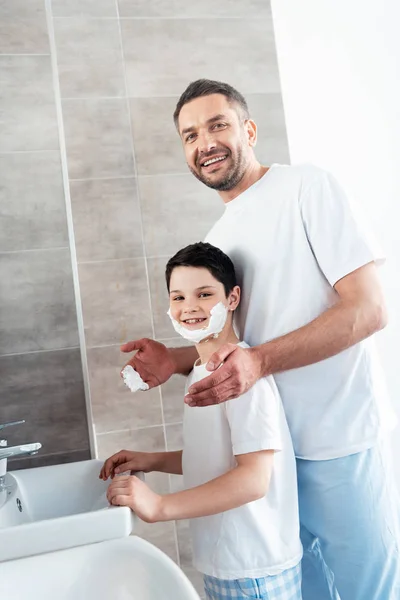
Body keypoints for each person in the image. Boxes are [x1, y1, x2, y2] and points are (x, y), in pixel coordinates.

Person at [119, 79, 400, 600]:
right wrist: (176, 359)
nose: (204, 142)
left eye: (217, 124)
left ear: (248, 129)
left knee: (369, 592)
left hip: (340, 439)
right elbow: (241, 339)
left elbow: (369, 309)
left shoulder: (306, 188)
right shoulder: (219, 237)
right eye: (189, 135)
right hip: (272, 454)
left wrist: (259, 363)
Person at [100, 242, 303, 600]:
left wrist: (160, 506)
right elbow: (219, 458)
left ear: (233, 298)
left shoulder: (237, 374)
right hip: (227, 562)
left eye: (204, 294)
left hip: (252, 569)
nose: (189, 307)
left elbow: (254, 479)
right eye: (177, 298)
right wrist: (152, 460)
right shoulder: (199, 369)